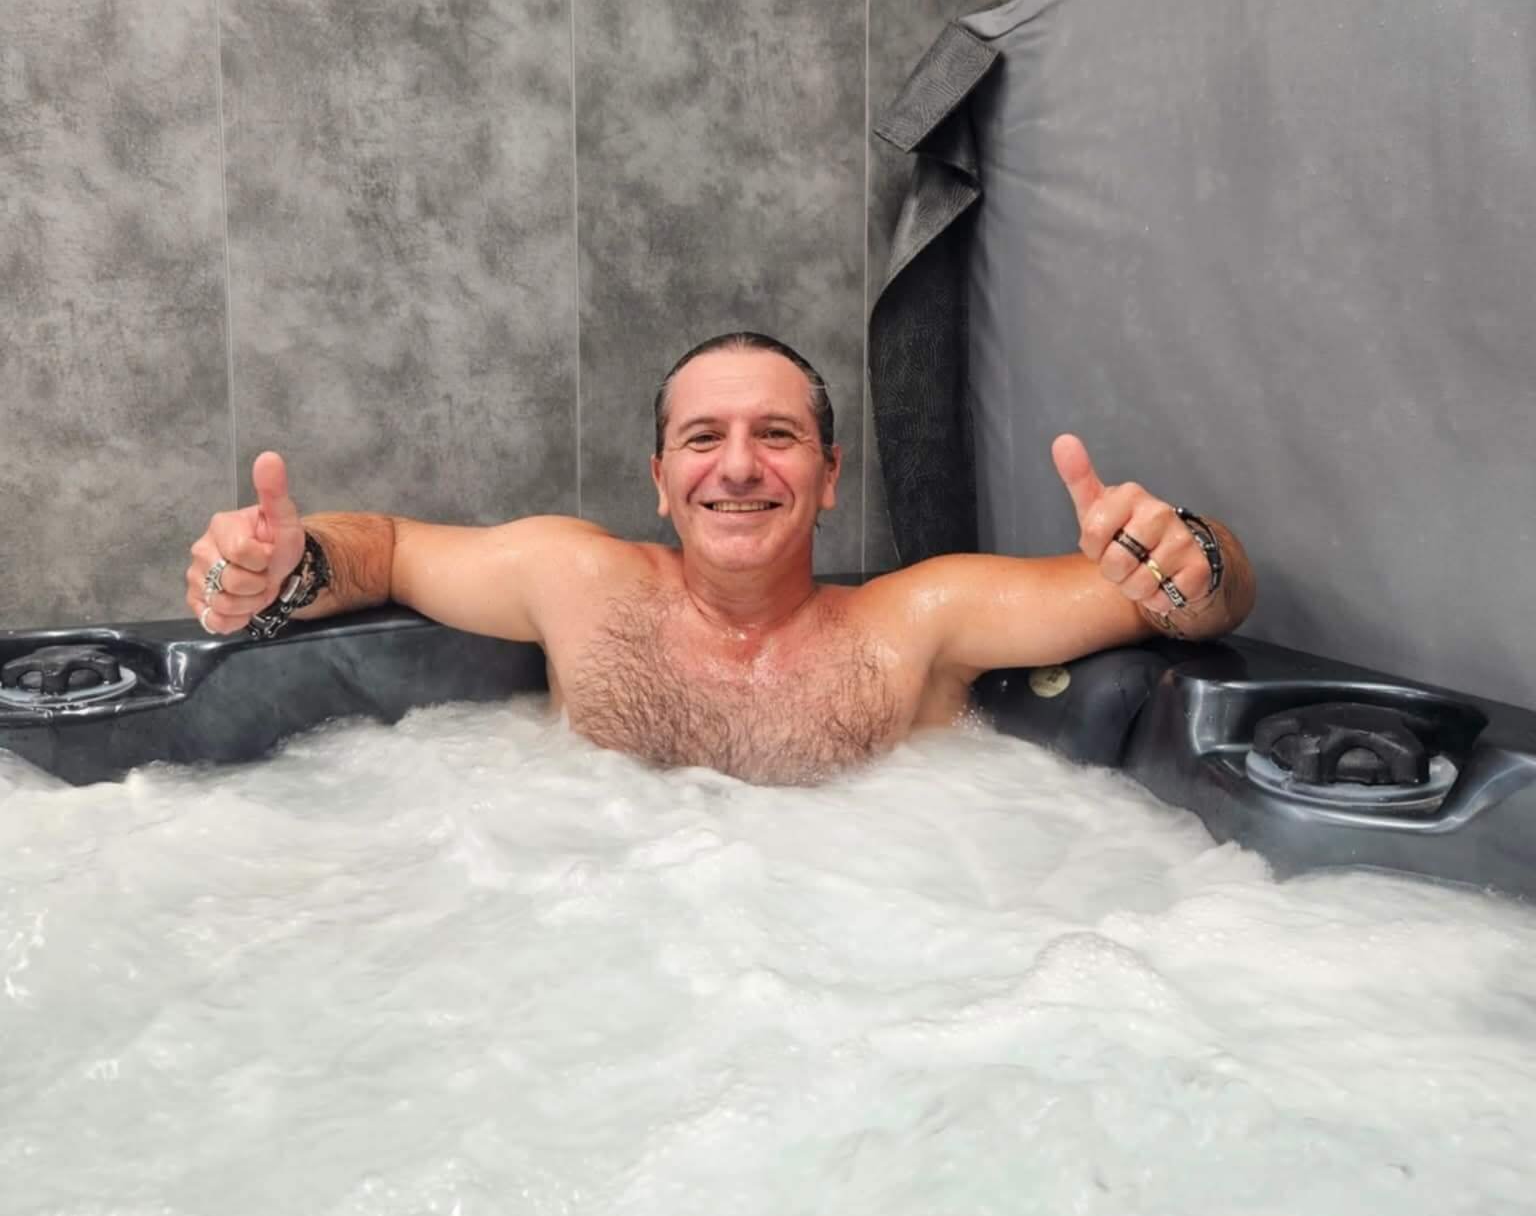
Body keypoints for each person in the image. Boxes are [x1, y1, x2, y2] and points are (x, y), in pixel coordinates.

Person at [185, 332, 1255, 785]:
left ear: (829, 474)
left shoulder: (916, 621)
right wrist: (290, 566)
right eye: (704, 438)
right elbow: (384, 551)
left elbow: (1189, 603)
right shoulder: (578, 585)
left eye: (776, 436)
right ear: (661, 478)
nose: (738, 466)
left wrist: (1192, 556)